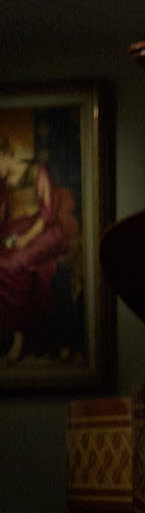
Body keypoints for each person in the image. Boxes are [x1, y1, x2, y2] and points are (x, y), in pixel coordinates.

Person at [0, 134, 71, 363]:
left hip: (42, 231)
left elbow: (47, 211)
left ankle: (20, 335)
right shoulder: (3, 183)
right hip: (15, 230)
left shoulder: (35, 171)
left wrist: (26, 239)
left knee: (12, 263)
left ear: (4, 154)